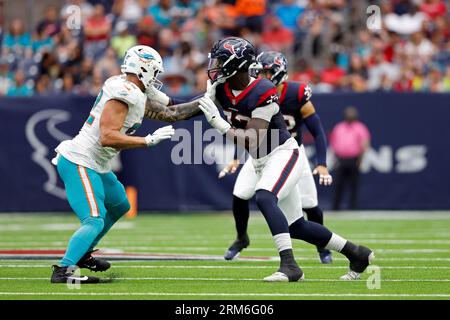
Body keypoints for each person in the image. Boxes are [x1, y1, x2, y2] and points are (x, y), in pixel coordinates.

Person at [198, 37, 374, 281]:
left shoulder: (267, 90)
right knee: (296, 226)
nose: (214, 65)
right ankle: (357, 253)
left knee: (265, 196)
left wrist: (218, 124)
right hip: (259, 156)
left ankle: (290, 265)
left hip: (284, 152)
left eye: (220, 60)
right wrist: (154, 102)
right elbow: (182, 109)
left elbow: (254, 136)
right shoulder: (223, 88)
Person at [50, 45, 201, 284]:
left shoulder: (134, 87)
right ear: (144, 69)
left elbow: (173, 107)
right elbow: (107, 136)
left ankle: (83, 254)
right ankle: (64, 270)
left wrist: (209, 101)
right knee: (94, 219)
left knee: (120, 204)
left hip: (96, 163)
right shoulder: (125, 91)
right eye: (155, 72)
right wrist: (147, 141)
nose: (157, 78)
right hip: (80, 160)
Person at [221, 51, 333, 264]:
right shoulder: (253, 93)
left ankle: (323, 248)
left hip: (289, 153)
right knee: (240, 194)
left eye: (267, 72)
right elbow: (247, 129)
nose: (262, 77)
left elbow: (317, 131)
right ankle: (241, 238)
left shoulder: (297, 94)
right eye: (259, 72)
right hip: (260, 154)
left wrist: (322, 164)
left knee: (310, 205)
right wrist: (237, 157)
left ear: (280, 74)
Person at [330, 106, 371, 210]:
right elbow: (333, 144)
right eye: (348, 113)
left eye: (352, 114)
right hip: (340, 159)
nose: (350, 115)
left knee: (354, 185)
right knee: (339, 184)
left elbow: (365, 144)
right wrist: (334, 159)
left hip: (354, 159)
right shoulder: (339, 127)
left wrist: (361, 160)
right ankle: (336, 207)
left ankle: (353, 207)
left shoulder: (360, 128)